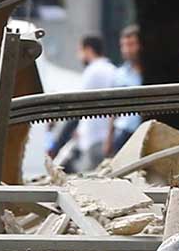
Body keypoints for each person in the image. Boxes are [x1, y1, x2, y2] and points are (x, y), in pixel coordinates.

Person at [50, 34, 121, 173]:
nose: (79, 56)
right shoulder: (111, 69)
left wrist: (58, 143)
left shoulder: (93, 71)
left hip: (94, 138)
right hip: (106, 135)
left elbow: (79, 106)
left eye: (80, 51)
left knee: (90, 179)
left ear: (88, 50)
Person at [109, 22, 144, 150]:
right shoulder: (120, 74)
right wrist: (109, 139)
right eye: (123, 45)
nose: (127, 50)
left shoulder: (152, 74)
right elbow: (113, 109)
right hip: (124, 132)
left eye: (131, 45)